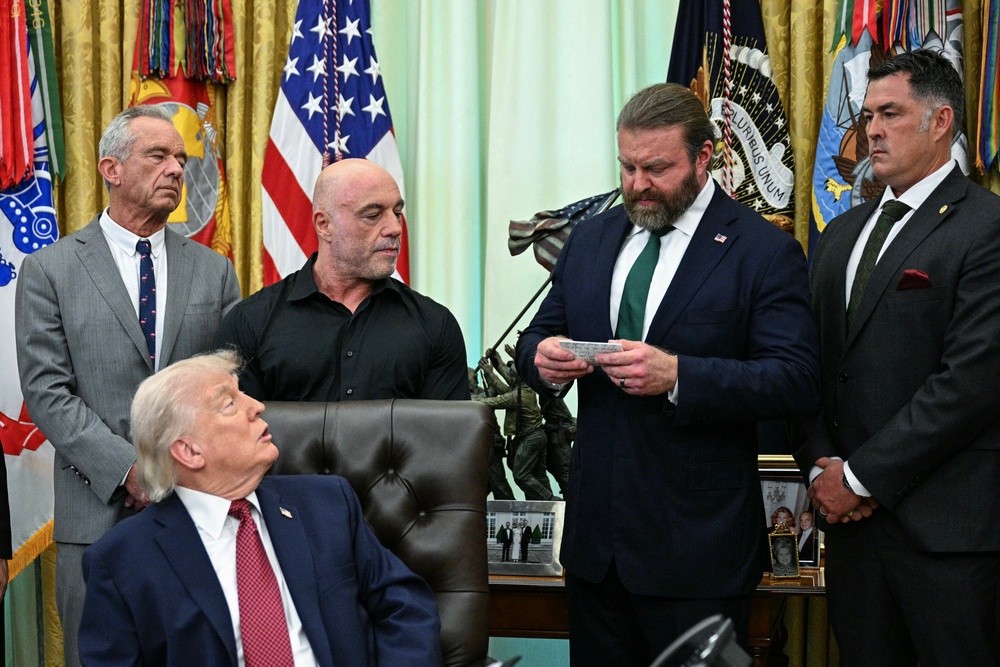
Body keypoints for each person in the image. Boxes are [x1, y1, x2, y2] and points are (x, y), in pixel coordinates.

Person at [515, 82, 820, 665]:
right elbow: (537, 336)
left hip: (697, 556)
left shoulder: (761, 250)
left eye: (656, 168)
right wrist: (544, 361)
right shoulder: (593, 238)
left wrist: (679, 375)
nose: (636, 185)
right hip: (595, 553)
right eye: (627, 166)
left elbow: (794, 377)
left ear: (704, 157)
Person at [795, 49, 1000, 666]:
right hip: (853, 536)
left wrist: (858, 479)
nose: (871, 131)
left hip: (948, 541)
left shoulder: (986, 227)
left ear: (941, 122)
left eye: (890, 113)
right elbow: (808, 367)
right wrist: (819, 472)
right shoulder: (839, 235)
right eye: (865, 115)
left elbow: (971, 383)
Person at [15, 105, 240, 666]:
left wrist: (184, 465)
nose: (175, 170)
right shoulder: (51, 270)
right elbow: (48, 391)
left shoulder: (215, 272)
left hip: (200, 511)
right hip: (97, 516)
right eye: (158, 155)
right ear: (111, 168)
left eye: (181, 160)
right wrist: (129, 470)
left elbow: (230, 385)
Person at [78, 351, 442, 665]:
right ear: (189, 451)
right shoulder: (121, 561)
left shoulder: (327, 504)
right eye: (230, 404)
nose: (257, 406)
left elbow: (405, 605)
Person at [215, 158, 468, 402]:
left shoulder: (436, 327)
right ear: (324, 225)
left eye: (397, 212)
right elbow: (229, 435)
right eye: (373, 215)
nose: (395, 228)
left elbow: (446, 440)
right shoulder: (250, 324)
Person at [479, 354, 556, 500]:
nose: (509, 371)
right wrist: (495, 366)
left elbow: (495, 401)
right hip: (535, 436)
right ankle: (542, 505)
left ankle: (549, 499)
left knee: (521, 475)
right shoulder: (524, 387)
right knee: (537, 474)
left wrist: (471, 400)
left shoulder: (517, 396)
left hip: (532, 438)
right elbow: (506, 387)